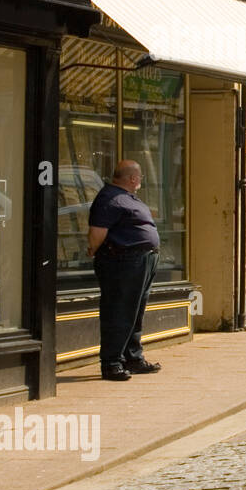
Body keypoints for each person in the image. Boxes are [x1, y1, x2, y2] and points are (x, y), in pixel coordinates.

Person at [87, 160, 162, 381]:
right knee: (119, 311)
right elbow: (96, 233)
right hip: (123, 262)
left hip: (143, 260)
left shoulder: (126, 197)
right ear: (132, 179)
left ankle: (132, 358)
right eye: (139, 177)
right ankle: (112, 363)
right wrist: (92, 248)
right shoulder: (109, 198)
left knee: (135, 311)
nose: (140, 180)